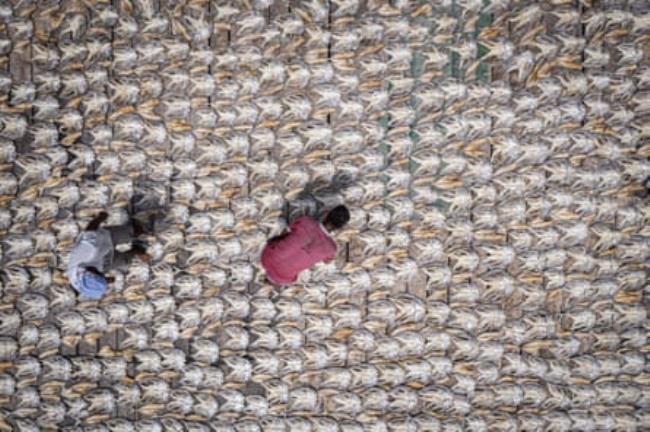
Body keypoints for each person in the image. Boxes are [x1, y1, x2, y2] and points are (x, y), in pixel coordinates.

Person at [66, 211, 150, 299]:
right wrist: (111, 280)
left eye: (100, 275)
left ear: (91, 272)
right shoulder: (84, 285)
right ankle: (137, 250)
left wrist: (100, 217)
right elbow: (99, 280)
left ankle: (137, 226)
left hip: (103, 239)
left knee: (133, 232)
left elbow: (90, 230)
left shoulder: (87, 252)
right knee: (124, 261)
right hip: (102, 262)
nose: (103, 275)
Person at [261, 205, 350, 286]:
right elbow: (327, 261)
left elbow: (289, 229)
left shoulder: (306, 221)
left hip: (267, 257)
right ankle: (273, 280)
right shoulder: (331, 248)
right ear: (339, 228)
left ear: (326, 215)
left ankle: (271, 273)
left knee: (284, 230)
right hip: (284, 276)